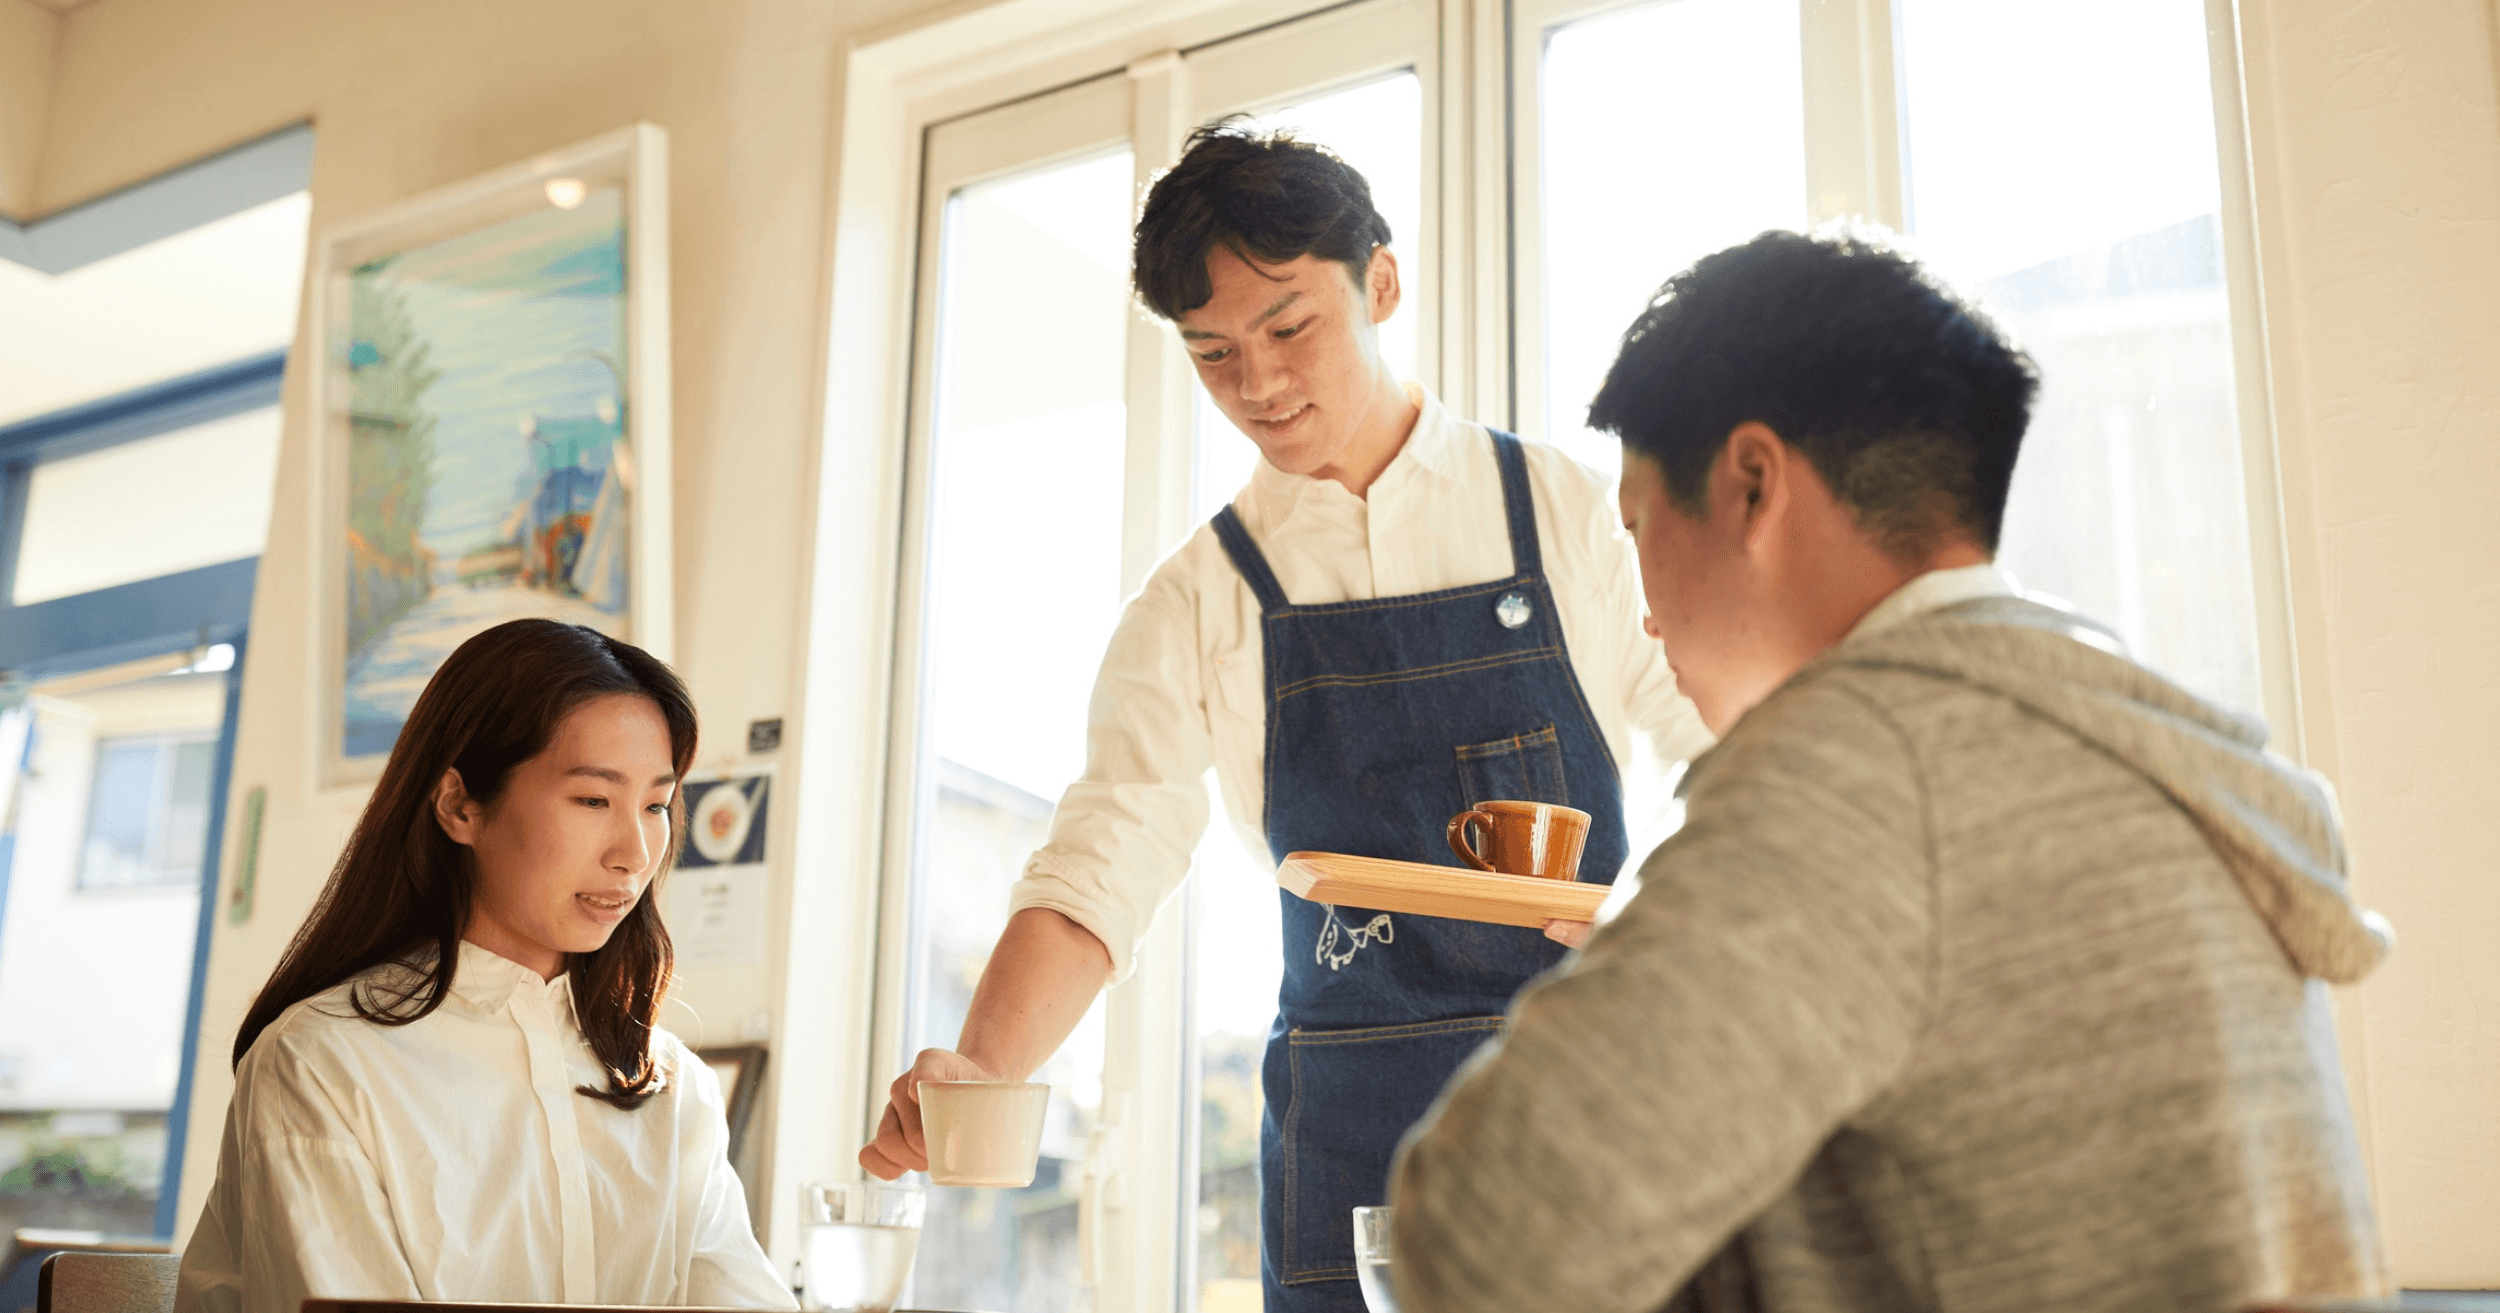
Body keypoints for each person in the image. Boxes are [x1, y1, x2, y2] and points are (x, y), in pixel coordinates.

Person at [1384, 227, 2393, 1312]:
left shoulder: (1858, 769)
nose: (1642, 605)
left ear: (1751, 484)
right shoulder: (2147, 741)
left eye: (1637, 528)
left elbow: (1479, 1244)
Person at [859, 121, 1711, 1311]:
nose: (1255, 382)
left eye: (1288, 327)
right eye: (1211, 352)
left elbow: (1717, 745)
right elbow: (1102, 859)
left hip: (1595, 1083)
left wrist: (1665, 907)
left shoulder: (1562, 510)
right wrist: (983, 1065)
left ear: (1382, 282)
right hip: (1353, 1135)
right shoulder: (1196, 600)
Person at [176, 620, 792, 1313]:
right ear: (460, 804)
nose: (635, 851)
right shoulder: (321, 1064)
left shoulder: (676, 1091)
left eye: (655, 804)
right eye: (594, 799)